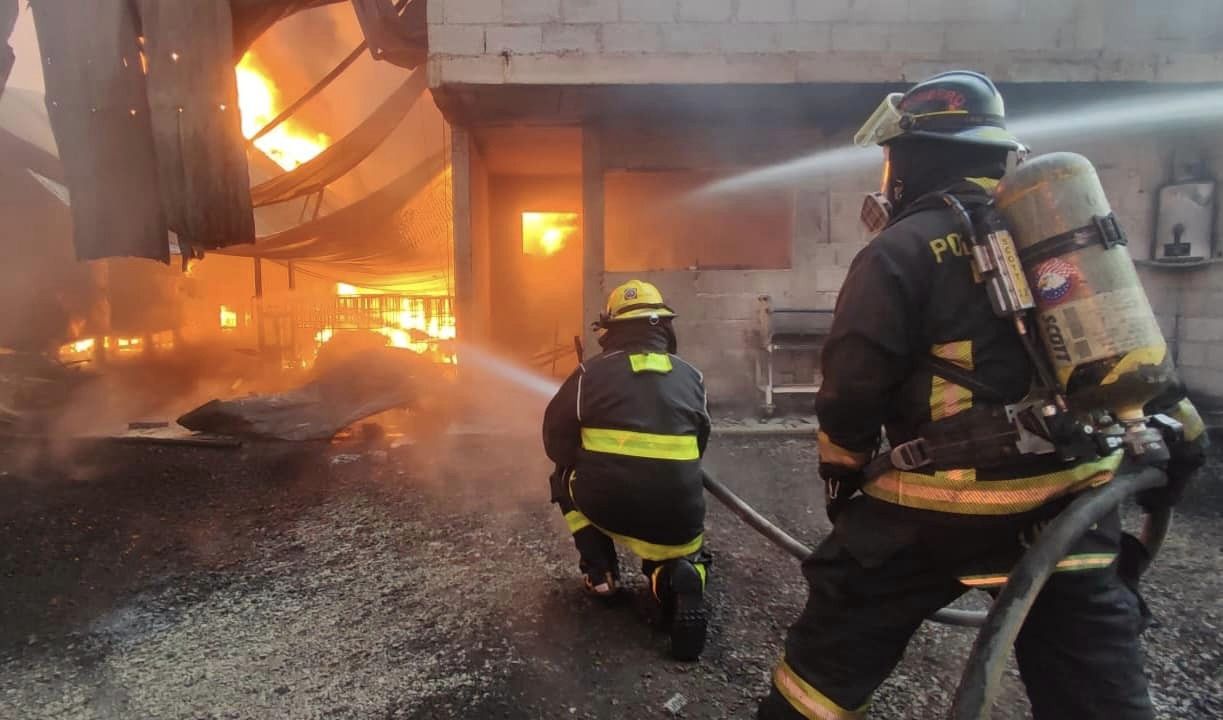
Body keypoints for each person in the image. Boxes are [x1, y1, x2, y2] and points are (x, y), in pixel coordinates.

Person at [758, 71, 1209, 719]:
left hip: (932, 511)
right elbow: (1130, 352)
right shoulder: (1056, 235)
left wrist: (843, 475)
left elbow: (852, 383)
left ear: (910, 161)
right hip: (1068, 506)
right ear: (996, 155)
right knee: (1094, 689)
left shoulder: (901, 248)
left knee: (825, 667)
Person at [542, 279, 713, 661]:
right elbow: (700, 445)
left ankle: (601, 574)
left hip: (609, 503)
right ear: (664, 327)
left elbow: (555, 442)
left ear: (611, 330)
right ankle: (675, 575)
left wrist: (590, 456)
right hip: (681, 510)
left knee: (562, 476)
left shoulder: (588, 375)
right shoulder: (693, 377)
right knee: (678, 547)